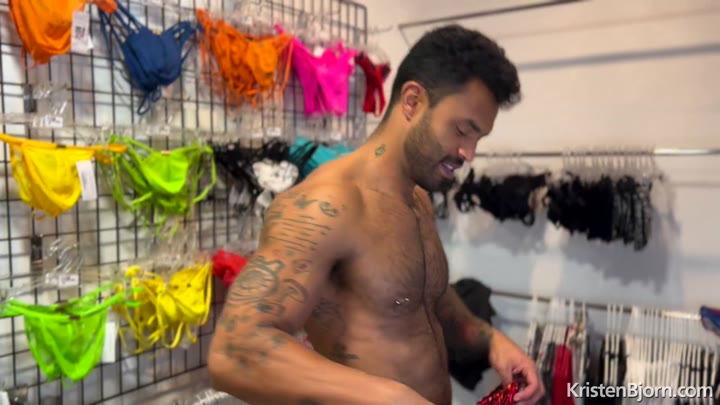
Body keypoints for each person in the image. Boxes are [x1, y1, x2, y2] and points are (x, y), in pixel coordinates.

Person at [207, 24, 545, 405]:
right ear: (413, 101)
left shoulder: (417, 199)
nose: (469, 153)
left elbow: (426, 300)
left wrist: (491, 341)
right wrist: (390, 395)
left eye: (477, 138)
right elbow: (235, 352)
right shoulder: (327, 206)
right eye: (462, 130)